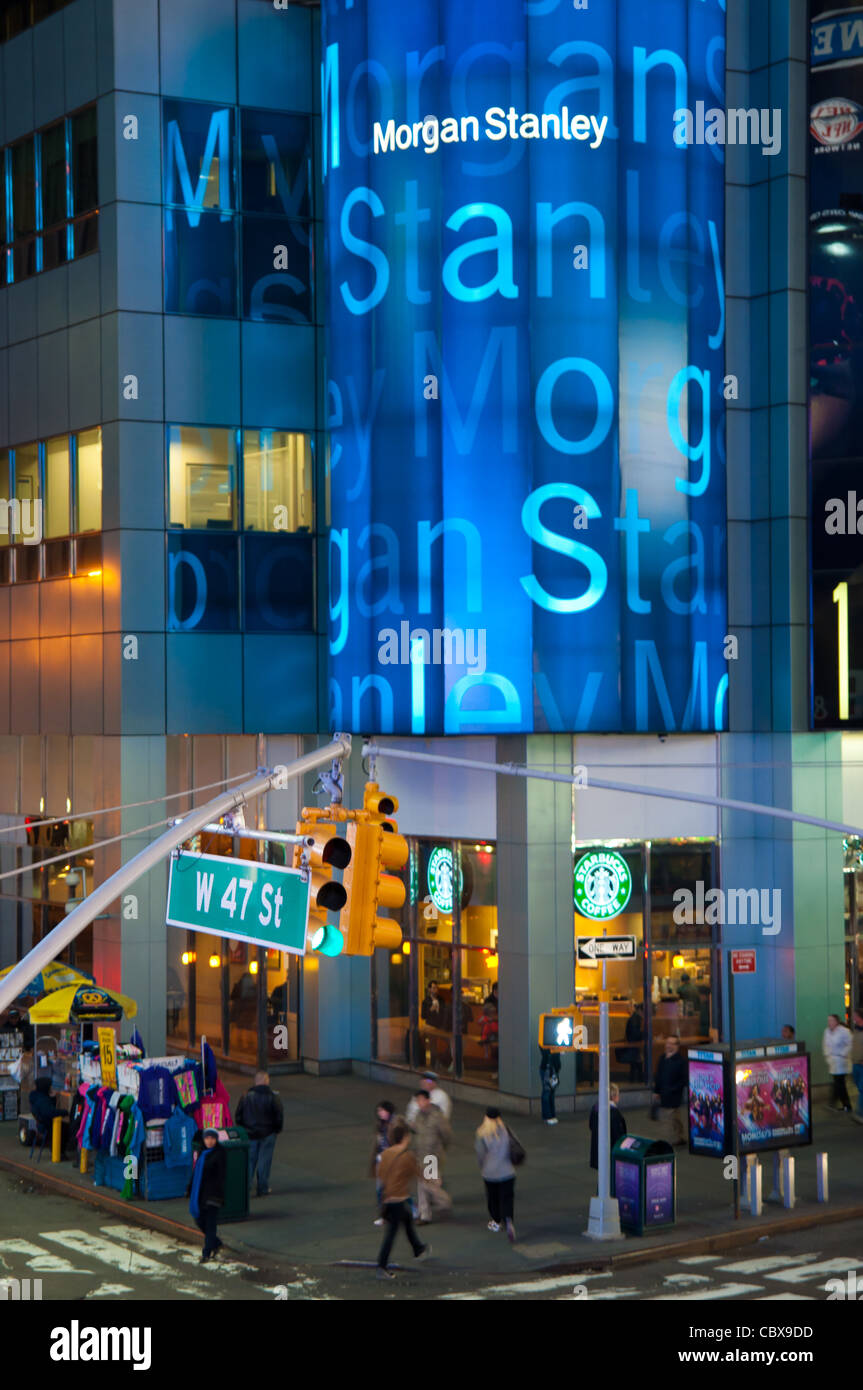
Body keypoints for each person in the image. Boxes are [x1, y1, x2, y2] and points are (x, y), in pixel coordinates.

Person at [376, 1121, 430, 1279]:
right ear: (405, 1137)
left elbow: (380, 1174)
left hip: (387, 1198)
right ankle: (382, 1265)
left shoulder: (386, 1154)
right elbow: (420, 1174)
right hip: (399, 1198)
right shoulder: (407, 1155)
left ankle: (418, 1248)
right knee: (391, 1233)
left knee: (406, 1220)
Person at [235, 1071, 283, 1197]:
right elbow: (278, 1115)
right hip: (268, 1133)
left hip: (250, 1133)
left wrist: (244, 1128)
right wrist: (277, 1129)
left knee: (250, 1161)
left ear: (255, 1081)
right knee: (264, 1161)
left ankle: (246, 1187)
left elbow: (238, 1115)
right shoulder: (273, 1096)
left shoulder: (246, 1096)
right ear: (267, 1081)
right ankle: (262, 1188)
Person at [409, 1090, 452, 1223]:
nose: (420, 1103)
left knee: (427, 1185)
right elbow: (415, 1134)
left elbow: (447, 1135)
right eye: (418, 1100)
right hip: (420, 1155)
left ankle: (444, 1202)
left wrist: (440, 1150)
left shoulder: (437, 1116)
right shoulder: (418, 1116)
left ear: (428, 1100)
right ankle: (424, 1215)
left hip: (431, 1156)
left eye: (422, 1100)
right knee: (423, 1184)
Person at [475, 1106, 517, 1242]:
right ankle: (508, 1220)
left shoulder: (482, 1132)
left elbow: (480, 1154)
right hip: (508, 1171)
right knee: (507, 1197)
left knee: (493, 1198)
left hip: (490, 1172)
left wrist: (482, 1167)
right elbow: (515, 1144)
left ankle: (496, 1221)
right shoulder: (506, 1129)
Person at [188, 1128, 227, 1264]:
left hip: (212, 1196)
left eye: (212, 1138)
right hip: (201, 1194)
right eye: (207, 1138)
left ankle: (207, 1252)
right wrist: (190, 1188)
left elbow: (220, 1176)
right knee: (199, 1220)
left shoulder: (219, 1154)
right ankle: (215, 1243)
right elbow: (196, 1173)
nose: (209, 1141)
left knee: (210, 1224)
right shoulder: (203, 1154)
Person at [653, 1036, 687, 1146]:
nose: (668, 1045)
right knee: (673, 1117)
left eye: (671, 1043)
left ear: (677, 1046)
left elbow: (683, 1080)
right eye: (667, 1043)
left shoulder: (681, 1061)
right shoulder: (662, 1058)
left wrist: (673, 1089)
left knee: (669, 1117)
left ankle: (671, 1140)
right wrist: (656, 1091)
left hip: (673, 1095)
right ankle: (678, 1136)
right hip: (664, 1093)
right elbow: (659, 1076)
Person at [27, 1075, 71, 1156]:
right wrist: (65, 1112)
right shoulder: (42, 1100)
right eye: (50, 1086)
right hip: (46, 1125)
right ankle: (59, 1152)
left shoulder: (37, 1096)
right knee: (66, 1127)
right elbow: (50, 1112)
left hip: (41, 1122)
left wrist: (53, 1098)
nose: (51, 1088)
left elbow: (48, 1108)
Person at [369, 1100, 396, 1224]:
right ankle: (384, 1215)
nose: (380, 1113)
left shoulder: (396, 1125)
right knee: (380, 1189)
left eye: (382, 1110)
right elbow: (378, 1144)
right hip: (382, 1160)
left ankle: (413, 1209)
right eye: (379, 1111)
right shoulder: (380, 1125)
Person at [589, 1082, 627, 1168]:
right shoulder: (614, 1113)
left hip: (597, 1148)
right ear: (614, 1096)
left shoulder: (595, 1108)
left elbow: (591, 1125)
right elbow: (618, 1134)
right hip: (609, 1149)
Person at [824, 1012, 853, 1112]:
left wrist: (843, 1053)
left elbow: (850, 1044)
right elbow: (825, 1045)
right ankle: (838, 1103)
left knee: (839, 1083)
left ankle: (846, 1105)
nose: (829, 1022)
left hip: (841, 1061)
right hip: (833, 1061)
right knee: (838, 1083)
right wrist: (828, 1056)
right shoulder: (827, 1031)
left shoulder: (844, 1031)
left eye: (831, 1020)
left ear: (837, 1021)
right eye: (828, 1020)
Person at [617, 1002, 644, 1082]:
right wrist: (644, 1035)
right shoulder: (636, 1019)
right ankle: (638, 1083)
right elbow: (635, 1034)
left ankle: (635, 1082)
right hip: (634, 1046)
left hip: (633, 1047)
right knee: (637, 1066)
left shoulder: (634, 1018)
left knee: (635, 1066)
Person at [540, 1047, 561, 1124]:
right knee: (547, 1092)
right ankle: (547, 1116)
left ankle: (552, 1115)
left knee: (551, 1092)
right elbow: (545, 1053)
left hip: (553, 1069)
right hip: (547, 1069)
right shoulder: (543, 1040)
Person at [853, 1010, 863, 1125]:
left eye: (855, 1015)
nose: (853, 1017)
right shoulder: (856, 1030)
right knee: (858, 1086)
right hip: (855, 1063)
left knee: (862, 1089)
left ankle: (860, 1113)